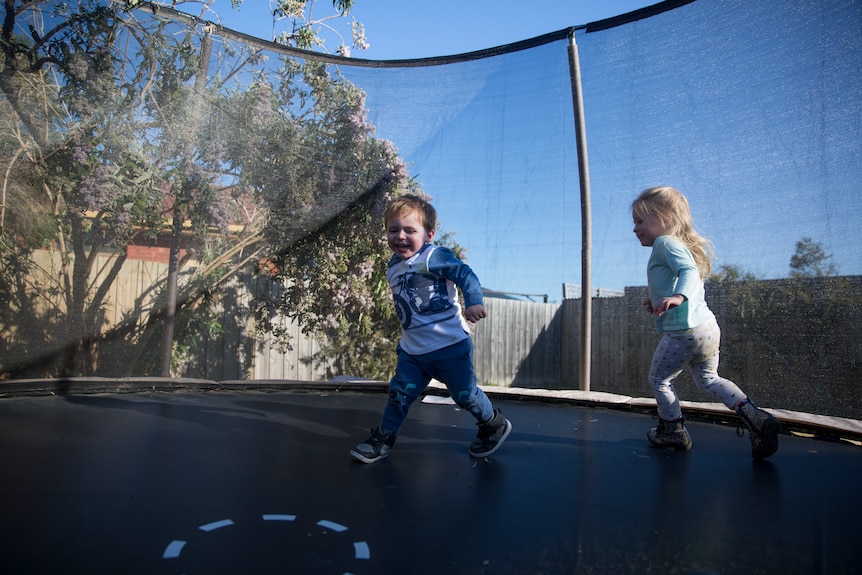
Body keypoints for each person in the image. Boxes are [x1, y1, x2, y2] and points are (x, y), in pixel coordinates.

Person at [350, 194, 512, 463]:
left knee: (464, 395)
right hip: (413, 352)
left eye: (409, 230)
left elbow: (465, 274)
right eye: (393, 230)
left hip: (449, 346)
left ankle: (492, 423)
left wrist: (473, 301)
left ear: (428, 234)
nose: (400, 236)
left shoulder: (434, 256)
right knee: (398, 395)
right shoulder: (393, 265)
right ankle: (383, 438)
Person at [631, 186, 780, 459]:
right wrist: (657, 301)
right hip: (707, 329)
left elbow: (686, 274)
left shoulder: (665, 243)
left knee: (659, 380)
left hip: (684, 333)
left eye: (640, 221)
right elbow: (686, 279)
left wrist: (678, 296)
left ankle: (672, 430)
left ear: (667, 218)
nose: (635, 229)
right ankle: (755, 416)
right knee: (710, 379)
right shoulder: (681, 246)